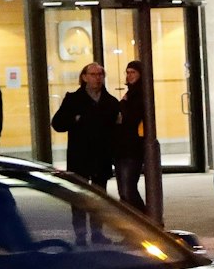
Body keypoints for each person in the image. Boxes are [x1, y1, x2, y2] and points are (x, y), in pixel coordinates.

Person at [51, 63, 120, 244]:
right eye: (93, 74)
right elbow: (57, 124)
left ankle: (97, 233)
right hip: (79, 156)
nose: (97, 78)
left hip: (101, 157)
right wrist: (75, 119)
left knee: (98, 197)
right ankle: (80, 235)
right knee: (79, 198)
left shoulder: (110, 102)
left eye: (100, 74)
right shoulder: (73, 100)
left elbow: (115, 131)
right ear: (84, 77)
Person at [113, 60, 151, 212]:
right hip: (122, 147)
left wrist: (122, 105)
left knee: (128, 190)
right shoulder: (129, 93)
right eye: (127, 72)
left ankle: (145, 223)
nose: (129, 75)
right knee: (124, 192)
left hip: (133, 147)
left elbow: (131, 118)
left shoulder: (141, 94)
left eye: (133, 72)